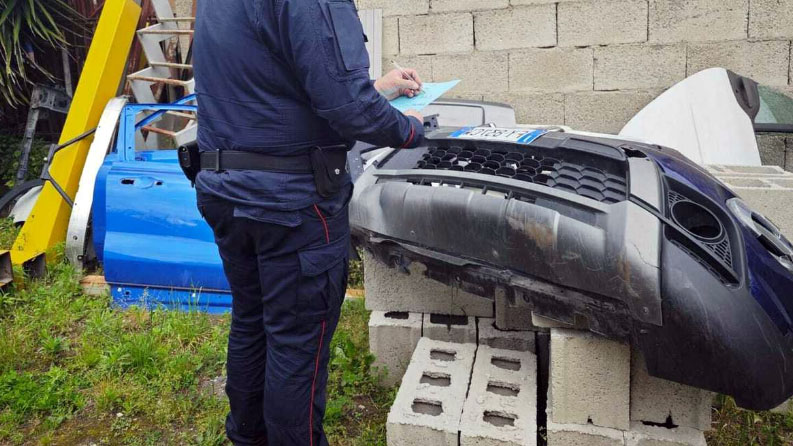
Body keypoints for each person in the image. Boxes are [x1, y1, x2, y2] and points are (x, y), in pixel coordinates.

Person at [192, 0, 425, 445]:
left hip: (226, 188)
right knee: (296, 345)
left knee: (253, 320)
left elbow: (271, 83)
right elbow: (348, 108)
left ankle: (247, 437)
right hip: (289, 206)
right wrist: (411, 128)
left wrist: (377, 88)